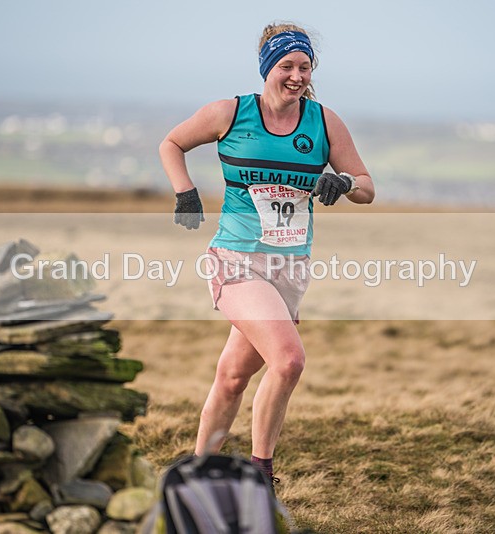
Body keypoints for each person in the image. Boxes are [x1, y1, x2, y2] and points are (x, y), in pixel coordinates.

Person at [159, 22, 374, 489]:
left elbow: (367, 187)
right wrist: (186, 193)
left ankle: (198, 473)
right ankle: (261, 475)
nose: (296, 75)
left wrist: (345, 183)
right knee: (289, 360)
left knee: (233, 376)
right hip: (235, 259)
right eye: (286, 66)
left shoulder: (324, 122)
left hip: (290, 268)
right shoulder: (230, 113)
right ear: (266, 69)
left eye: (304, 66)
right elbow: (171, 143)